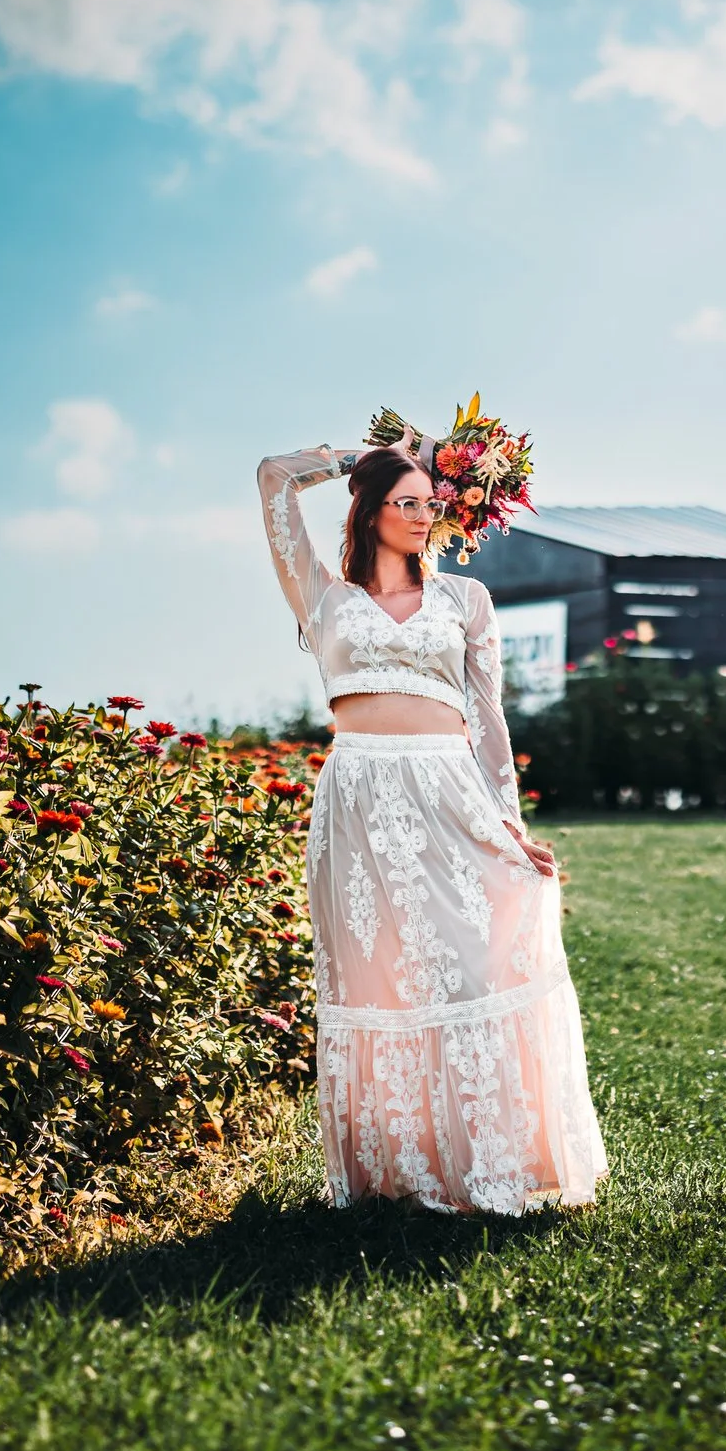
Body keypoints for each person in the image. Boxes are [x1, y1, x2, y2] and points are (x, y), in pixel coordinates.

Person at [256, 437, 608, 1214]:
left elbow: (488, 721)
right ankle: (401, 1174)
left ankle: (494, 1160)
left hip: (449, 790)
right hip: (358, 796)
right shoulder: (323, 597)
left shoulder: (465, 600)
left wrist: (508, 825)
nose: (423, 516)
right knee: (380, 978)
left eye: (430, 502)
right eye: (406, 502)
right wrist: (372, 453)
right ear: (369, 510)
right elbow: (274, 479)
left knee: (473, 967)